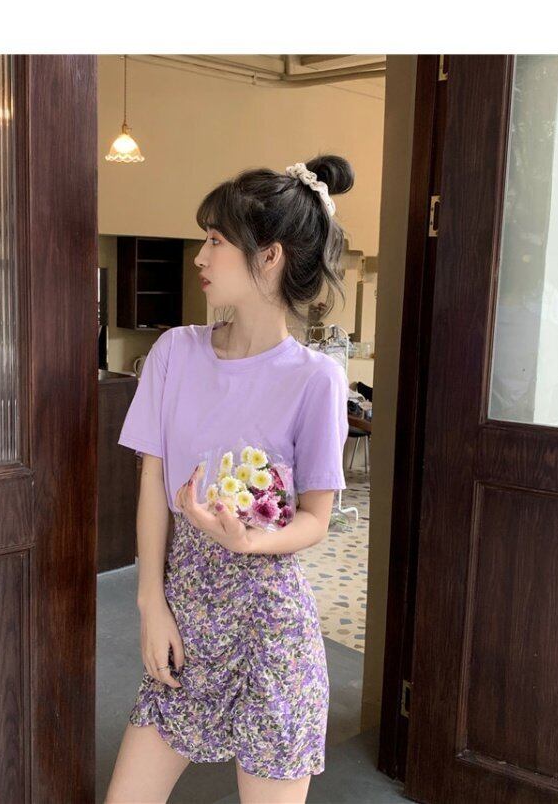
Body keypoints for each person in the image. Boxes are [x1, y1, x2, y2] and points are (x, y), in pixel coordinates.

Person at [105, 155, 354, 804]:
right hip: (186, 617)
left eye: (216, 240)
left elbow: (315, 519)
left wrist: (250, 540)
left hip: (273, 632)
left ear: (269, 257)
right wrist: (151, 604)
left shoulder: (317, 380)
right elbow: (152, 486)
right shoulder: (174, 353)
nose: (200, 255)